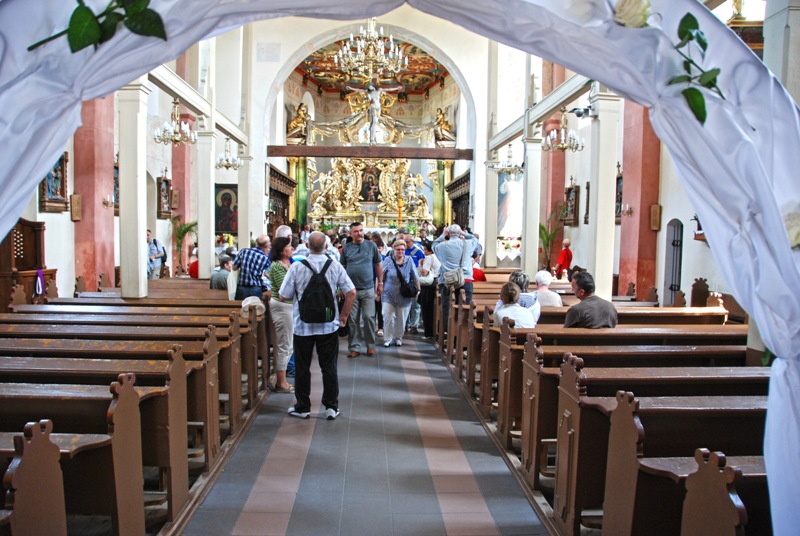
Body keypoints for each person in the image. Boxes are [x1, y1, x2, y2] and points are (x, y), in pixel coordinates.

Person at [279, 231, 355, 420]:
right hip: (329, 325)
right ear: (326, 246)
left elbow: (283, 295)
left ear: (307, 246)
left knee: (302, 367)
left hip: (302, 326)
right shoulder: (334, 265)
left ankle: (303, 407)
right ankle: (331, 407)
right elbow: (351, 292)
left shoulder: (297, 267)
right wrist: (344, 316)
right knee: (329, 367)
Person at [340, 221, 383, 358]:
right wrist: (341, 286)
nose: (359, 233)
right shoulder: (346, 248)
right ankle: (355, 347)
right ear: (351, 234)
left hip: (368, 288)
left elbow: (378, 264)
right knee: (353, 319)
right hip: (351, 290)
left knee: (369, 317)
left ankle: (370, 345)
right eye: (356, 231)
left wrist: (380, 283)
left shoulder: (371, 246)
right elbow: (342, 268)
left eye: (361, 230)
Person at [432, 224, 478, 331]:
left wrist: (443, 235)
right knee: (465, 308)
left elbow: (434, 245)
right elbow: (474, 238)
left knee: (447, 308)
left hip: (448, 280)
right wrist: (463, 233)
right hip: (465, 279)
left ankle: (448, 332)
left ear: (448, 233)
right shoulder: (467, 244)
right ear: (460, 232)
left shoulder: (442, 246)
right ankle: (464, 334)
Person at [268, 236, 296, 393]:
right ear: (280, 250)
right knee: (284, 344)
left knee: (288, 344)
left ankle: (282, 379)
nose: (291, 248)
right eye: (288, 246)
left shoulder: (288, 263)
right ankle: (281, 382)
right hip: (282, 306)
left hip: (289, 307)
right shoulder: (277, 266)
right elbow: (284, 290)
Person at [381, 239, 419, 347]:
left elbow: (415, 276)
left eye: (402, 249)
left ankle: (398, 337)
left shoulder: (409, 260)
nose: (400, 252)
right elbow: (381, 275)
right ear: (394, 249)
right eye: (398, 249)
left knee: (401, 319)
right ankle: (387, 338)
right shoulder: (388, 260)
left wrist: (418, 290)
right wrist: (378, 288)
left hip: (404, 295)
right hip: (388, 293)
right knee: (388, 317)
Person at [233, 234, 271, 301]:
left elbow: (234, 267)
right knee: (255, 307)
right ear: (266, 245)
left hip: (242, 288)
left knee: (240, 306)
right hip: (256, 288)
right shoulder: (265, 259)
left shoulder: (244, 251)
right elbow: (267, 274)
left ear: (256, 242)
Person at [417, 241, 441, 340]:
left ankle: (428, 333)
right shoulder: (438, 256)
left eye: (425, 249)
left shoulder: (429, 258)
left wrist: (420, 264)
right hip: (437, 283)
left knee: (426, 309)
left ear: (429, 250)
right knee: (433, 309)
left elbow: (424, 272)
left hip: (429, 285)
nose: (424, 251)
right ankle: (434, 331)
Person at [403, 233, 425, 334]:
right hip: (405, 281)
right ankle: (405, 325)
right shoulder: (402, 250)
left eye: (407, 242)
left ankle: (414, 325)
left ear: (412, 242)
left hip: (415, 280)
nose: (405, 244)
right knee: (405, 304)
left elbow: (422, 264)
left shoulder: (418, 251)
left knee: (415, 305)